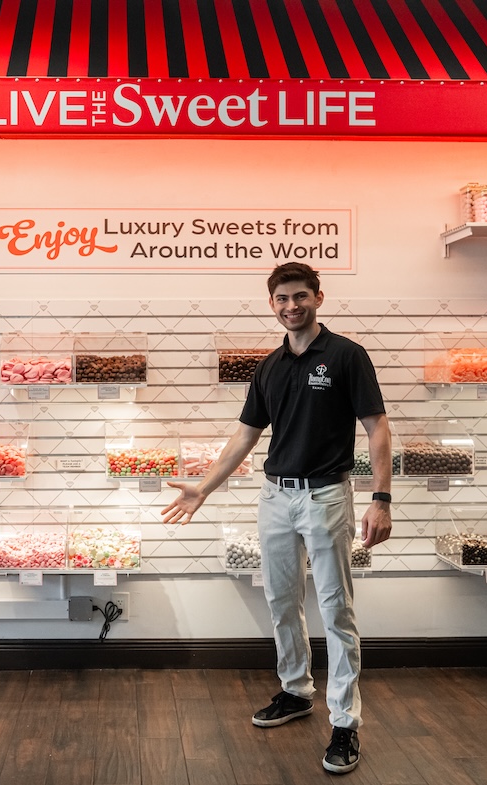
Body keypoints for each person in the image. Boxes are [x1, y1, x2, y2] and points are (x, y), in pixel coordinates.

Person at [162, 262, 392, 775]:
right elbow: (245, 436)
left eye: (301, 296)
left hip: (327, 496)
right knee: (281, 599)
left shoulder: (347, 356)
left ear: (319, 298)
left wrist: (382, 498)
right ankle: (295, 691)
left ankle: (346, 724)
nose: (292, 306)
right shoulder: (268, 366)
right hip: (275, 497)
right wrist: (203, 486)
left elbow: (377, 426)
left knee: (336, 609)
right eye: (282, 298)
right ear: (272, 304)